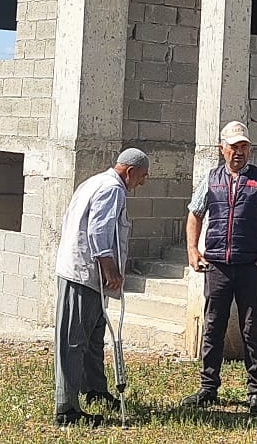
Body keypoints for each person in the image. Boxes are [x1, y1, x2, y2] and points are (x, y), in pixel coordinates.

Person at [179, 120, 257, 414]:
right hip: (218, 267)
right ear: (221, 149)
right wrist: (192, 249)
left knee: (252, 329)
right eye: (234, 146)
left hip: (250, 267)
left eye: (244, 146)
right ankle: (208, 387)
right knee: (213, 327)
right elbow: (194, 214)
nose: (239, 152)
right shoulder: (211, 179)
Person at [51, 148, 150, 427]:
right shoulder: (112, 189)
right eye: (142, 177)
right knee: (72, 341)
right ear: (129, 171)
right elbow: (98, 230)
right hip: (83, 274)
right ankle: (66, 410)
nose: (142, 183)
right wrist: (110, 270)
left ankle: (94, 390)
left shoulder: (95, 181)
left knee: (93, 337)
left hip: (87, 275)